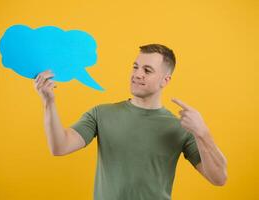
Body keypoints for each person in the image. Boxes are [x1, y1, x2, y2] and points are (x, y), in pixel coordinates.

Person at [34, 43, 228, 200]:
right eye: (135, 67)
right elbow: (60, 147)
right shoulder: (101, 114)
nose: (137, 74)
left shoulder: (180, 127)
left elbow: (219, 178)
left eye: (147, 70)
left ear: (165, 80)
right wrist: (49, 102)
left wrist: (203, 133)